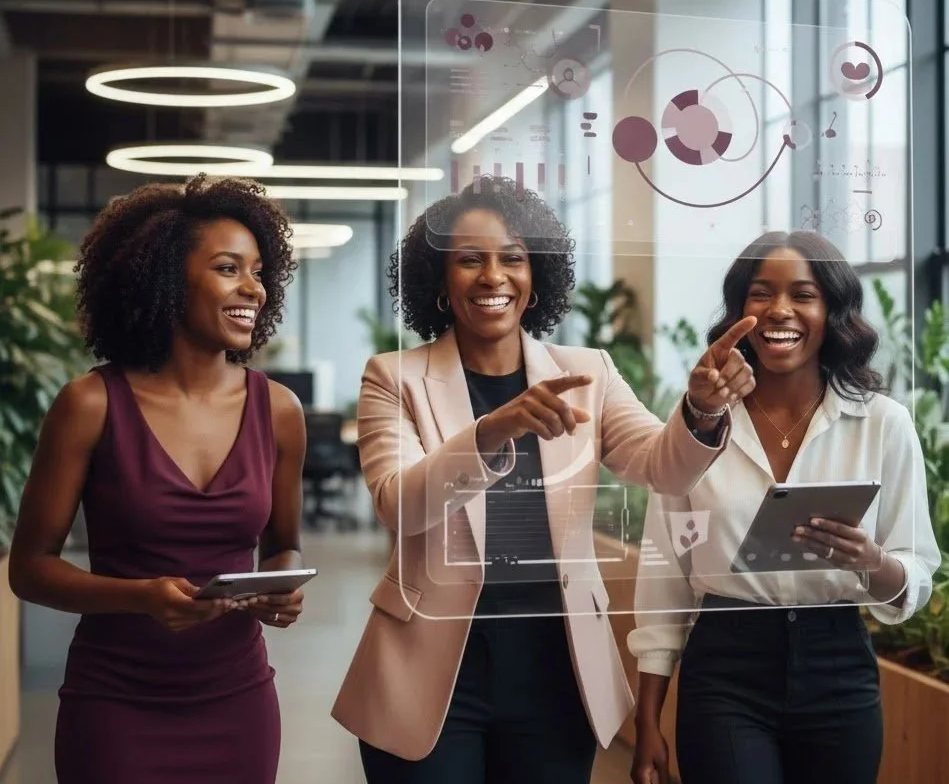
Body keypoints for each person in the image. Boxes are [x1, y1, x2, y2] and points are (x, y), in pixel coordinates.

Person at [331, 175, 759, 784]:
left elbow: (660, 467)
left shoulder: (588, 371)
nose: (493, 276)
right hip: (429, 673)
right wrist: (489, 431)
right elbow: (397, 504)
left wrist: (702, 410)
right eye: (469, 260)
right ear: (438, 279)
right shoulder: (394, 377)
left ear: (537, 277)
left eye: (513, 258)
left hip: (556, 671)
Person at [8, 175, 307, 784]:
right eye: (229, 269)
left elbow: (283, 543)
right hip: (116, 705)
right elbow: (29, 567)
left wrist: (282, 585)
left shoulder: (278, 410)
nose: (254, 287)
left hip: (238, 700)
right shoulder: (89, 405)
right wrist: (138, 596)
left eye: (258, 271)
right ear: (168, 279)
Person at [628, 230, 941, 784]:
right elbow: (665, 581)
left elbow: (913, 573)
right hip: (726, 667)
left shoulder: (884, 424)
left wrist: (870, 560)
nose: (780, 310)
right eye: (760, 293)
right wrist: (648, 718)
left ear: (833, 311)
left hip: (838, 667)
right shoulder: (699, 426)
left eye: (803, 294)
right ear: (738, 310)